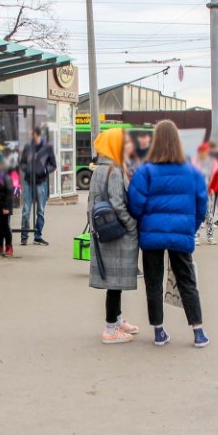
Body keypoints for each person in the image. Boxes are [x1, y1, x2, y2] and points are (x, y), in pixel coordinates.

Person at [127, 120, 209, 348]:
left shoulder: (146, 171)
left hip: (151, 235)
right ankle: (198, 331)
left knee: (153, 282)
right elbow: (201, 204)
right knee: (187, 280)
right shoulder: (192, 172)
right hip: (180, 234)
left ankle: (159, 331)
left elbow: (135, 204)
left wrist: (145, 221)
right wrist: (190, 228)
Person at [88, 128, 141, 344]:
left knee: (114, 281)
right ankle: (110, 329)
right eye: (124, 143)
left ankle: (117, 320)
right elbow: (118, 204)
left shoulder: (99, 169)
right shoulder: (115, 170)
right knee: (114, 283)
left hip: (105, 231)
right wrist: (131, 226)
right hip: (117, 232)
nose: (128, 146)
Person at [19, 127, 57, 245]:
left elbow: (53, 165)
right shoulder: (27, 147)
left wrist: (44, 170)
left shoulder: (47, 148)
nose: (30, 136)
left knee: (40, 210)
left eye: (32, 134)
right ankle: (24, 236)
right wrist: (27, 170)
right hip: (28, 181)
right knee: (26, 210)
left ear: (37, 135)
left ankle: (38, 236)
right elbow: (22, 163)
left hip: (41, 182)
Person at [192, 142, 218, 245]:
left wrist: (213, 188)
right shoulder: (195, 163)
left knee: (209, 214)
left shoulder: (211, 163)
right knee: (197, 213)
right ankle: (195, 236)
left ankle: (210, 236)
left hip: (208, 192)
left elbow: (216, 176)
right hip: (197, 192)